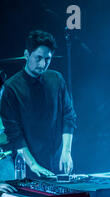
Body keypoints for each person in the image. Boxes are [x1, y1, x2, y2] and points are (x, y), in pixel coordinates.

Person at [0, 30, 77, 178]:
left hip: (58, 159)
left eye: (47, 59)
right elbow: (15, 134)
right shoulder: (11, 88)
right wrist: (33, 164)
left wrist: (67, 151)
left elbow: (69, 116)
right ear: (27, 55)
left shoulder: (56, 79)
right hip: (28, 164)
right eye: (38, 58)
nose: (43, 64)